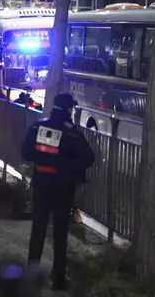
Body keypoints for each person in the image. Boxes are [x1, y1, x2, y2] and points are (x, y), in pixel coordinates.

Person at [21, 93, 95, 290]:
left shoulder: (38, 126)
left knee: (38, 228)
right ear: (70, 109)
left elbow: (26, 153)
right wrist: (68, 166)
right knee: (60, 232)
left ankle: (32, 274)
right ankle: (58, 279)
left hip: (41, 184)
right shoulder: (71, 133)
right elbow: (89, 157)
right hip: (62, 188)